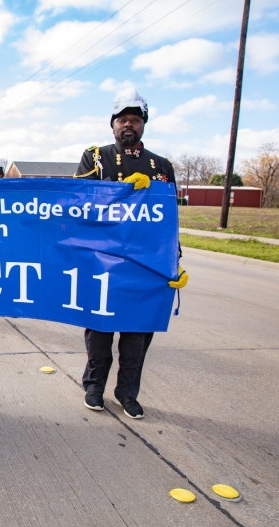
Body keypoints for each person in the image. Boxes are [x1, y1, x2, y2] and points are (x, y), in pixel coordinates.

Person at [72, 87, 188, 420]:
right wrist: (120, 193)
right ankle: (94, 388)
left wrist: (173, 262)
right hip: (102, 260)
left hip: (146, 264)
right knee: (99, 330)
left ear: (143, 124)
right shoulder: (95, 157)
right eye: (122, 119)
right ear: (112, 124)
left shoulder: (161, 166)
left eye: (135, 120)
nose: (128, 125)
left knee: (137, 334)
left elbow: (169, 220)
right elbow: (81, 203)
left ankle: (127, 392)